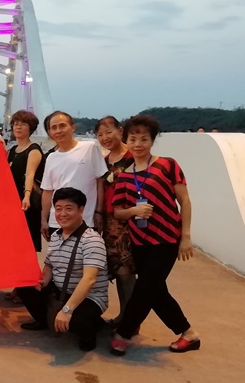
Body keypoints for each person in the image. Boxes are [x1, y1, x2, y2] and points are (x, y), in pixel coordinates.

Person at [110, 115, 200, 356]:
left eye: (144, 139)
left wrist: (186, 237)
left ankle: (123, 333)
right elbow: (118, 212)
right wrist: (133, 211)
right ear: (126, 140)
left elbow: (185, 201)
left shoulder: (168, 166)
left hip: (166, 238)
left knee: (145, 288)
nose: (138, 144)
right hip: (140, 241)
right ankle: (189, 334)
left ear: (152, 140)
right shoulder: (124, 175)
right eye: (133, 139)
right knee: (156, 290)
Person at [17, 188, 108, 351]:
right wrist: (44, 280)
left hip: (89, 297)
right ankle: (45, 321)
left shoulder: (92, 240)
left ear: (81, 210)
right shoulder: (56, 236)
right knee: (24, 285)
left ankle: (91, 331)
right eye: (58, 209)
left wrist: (67, 310)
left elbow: (89, 280)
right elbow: (50, 264)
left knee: (77, 321)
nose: (63, 214)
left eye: (69, 208)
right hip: (60, 291)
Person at [40, 111, 106, 240]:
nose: (58, 131)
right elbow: (47, 191)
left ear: (72, 127)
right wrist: (43, 219)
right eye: (54, 128)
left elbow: (100, 181)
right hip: (57, 222)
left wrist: (99, 211)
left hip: (85, 221)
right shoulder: (51, 158)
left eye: (62, 126)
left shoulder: (90, 148)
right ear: (50, 132)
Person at [95, 116, 136, 325]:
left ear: (120, 131)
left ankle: (131, 319)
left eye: (109, 132)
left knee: (127, 271)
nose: (105, 138)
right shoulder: (104, 161)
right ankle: (124, 315)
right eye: (100, 135)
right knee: (118, 270)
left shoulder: (133, 157)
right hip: (110, 222)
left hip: (130, 220)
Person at [8, 110, 44, 253]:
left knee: (27, 241)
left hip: (26, 202)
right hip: (13, 200)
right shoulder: (13, 150)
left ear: (31, 128)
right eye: (16, 124)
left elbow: (30, 174)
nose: (18, 127)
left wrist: (27, 196)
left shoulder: (33, 150)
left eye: (23, 124)